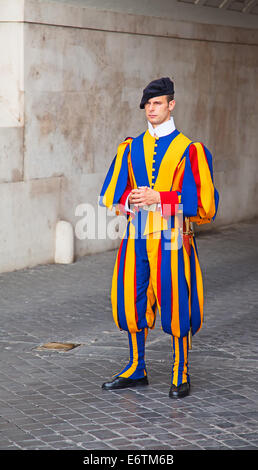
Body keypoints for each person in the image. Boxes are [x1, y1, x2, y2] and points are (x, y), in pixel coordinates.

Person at [99, 77, 219, 398]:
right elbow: (112, 193)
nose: (151, 109)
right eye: (147, 105)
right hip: (136, 237)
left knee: (177, 299)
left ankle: (181, 372)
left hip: (173, 238)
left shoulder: (190, 150)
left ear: (171, 105)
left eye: (157, 104)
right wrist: (129, 199)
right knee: (130, 299)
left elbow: (203, 204)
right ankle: (137, 368)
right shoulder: (130, 147)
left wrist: (160, 198)